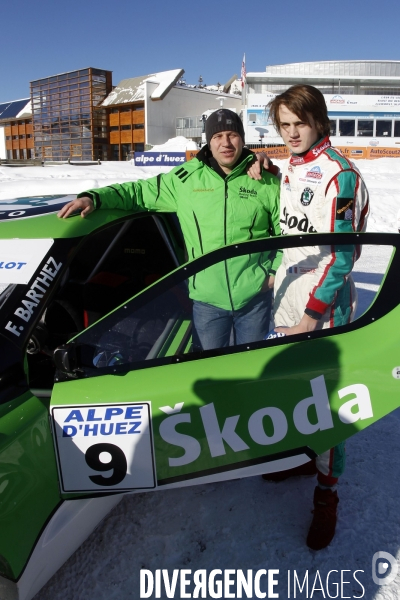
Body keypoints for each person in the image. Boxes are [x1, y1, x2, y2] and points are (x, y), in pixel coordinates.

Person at [248, 84, 370, 550]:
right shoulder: (291, 169)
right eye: (284, 125)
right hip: (288, 295)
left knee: (327, 402)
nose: (292, 133)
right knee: (297, 391)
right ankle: (305, 456)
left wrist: (310, 319)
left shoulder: (341, 177)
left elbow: (342, 259)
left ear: (318, 121)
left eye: (300, 123)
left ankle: (327, 494)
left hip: (325, 304)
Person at [58, 109, 281, 351]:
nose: (225, 143)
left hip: (254, 298)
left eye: (232, 135)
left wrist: (271, 274)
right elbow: (138, 193)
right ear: (208, 141)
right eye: (217, 136)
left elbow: (286, 231)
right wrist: (95, 198)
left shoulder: (264, 181)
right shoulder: (185, 180)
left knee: (253, 368)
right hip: (206, 300)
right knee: (207, 368)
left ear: (242, 138)